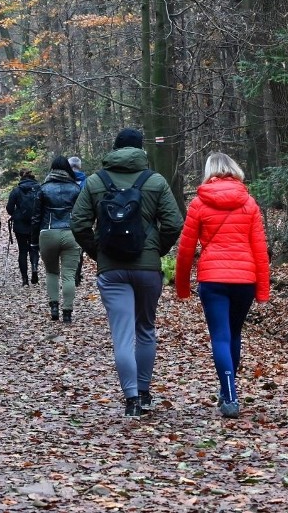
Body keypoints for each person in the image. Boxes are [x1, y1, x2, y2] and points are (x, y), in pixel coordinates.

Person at [71, 127, 184, 417]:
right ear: (141, 150)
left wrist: (98, 252)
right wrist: (156, 250)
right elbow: (173, 223)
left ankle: (131, 399)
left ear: (114, 149)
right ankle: (145, 393)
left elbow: (79, 223)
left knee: (122, 334)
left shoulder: (96, 181)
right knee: (145, 329)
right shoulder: (155, 181)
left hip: (112, 270)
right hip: (147, 268)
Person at [175, 152, 270, 419]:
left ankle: (229, 395)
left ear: (210, 171)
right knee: (234, 334)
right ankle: (228, 391)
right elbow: (259, 249)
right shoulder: (249, 203)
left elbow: (185, 249)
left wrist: (182, 285)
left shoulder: (199, 204)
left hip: (213, 279)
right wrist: (262, 289)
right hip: (244, 279)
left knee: (220, 336)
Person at [31, 156, 82, 323]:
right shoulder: (76, 188)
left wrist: (33, 240)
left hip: (48, 232)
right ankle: (67, 311)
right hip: (70, 233)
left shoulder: (43, 188)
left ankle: (54, 306)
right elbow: (82, 214)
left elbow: (36, 217)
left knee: (51, 272)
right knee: (68, 275)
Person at [5, 170, 41, 286]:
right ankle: (34, 268)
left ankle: (24, 279)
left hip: (20, 225)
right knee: (34, 248)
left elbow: (9, 208)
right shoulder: (39, 189)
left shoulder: (16, 191)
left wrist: (16, 214)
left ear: (21, 178)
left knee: (22, 251)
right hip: (35, 224)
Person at [68, 156, 87, 286]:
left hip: (65, 218)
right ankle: (77, 274)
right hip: (82, 218)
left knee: (67, 249)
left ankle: (70, 274)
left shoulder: (65, 180)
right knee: (79, 248)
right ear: (79, 166)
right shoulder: (87, 181)